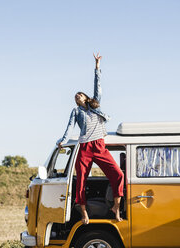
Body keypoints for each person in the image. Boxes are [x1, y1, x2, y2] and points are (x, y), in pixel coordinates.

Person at [57, 53, 124, 224]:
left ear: (85, 97)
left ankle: (116, 207)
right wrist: (63, 141)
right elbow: (69, 127)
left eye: (79, 95)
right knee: (80, 181)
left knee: (117, 175)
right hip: (85, 147)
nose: (76, 97)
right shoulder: (76, 112)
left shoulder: (95, 105)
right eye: (75, 97)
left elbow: (98, 87)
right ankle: (84, 212)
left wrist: (97, 67)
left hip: (99, 146)